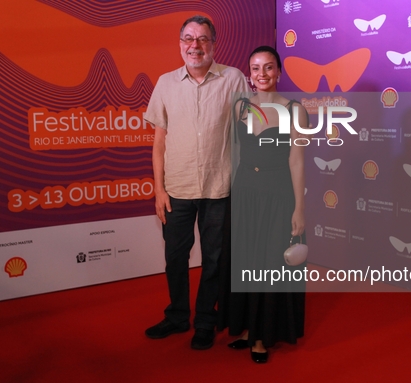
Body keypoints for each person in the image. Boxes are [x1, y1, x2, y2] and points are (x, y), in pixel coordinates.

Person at [143, 15, 248, 350]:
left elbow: (248, 133)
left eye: (203, 39)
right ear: (180, 44)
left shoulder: (233, 79)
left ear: (213, 44)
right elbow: (159, 142)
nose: (195, 45)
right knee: (175, 257)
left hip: (220, 186)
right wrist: (158, 190)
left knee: (215, 259)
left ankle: (205, 320)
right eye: (188, 38)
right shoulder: (166, 83)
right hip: (177, 188)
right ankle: (176, 316)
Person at [218, 46, 308, 363]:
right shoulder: (241, 107)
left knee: (270, 263)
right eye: (255, 68)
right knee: (246, 259)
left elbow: (297, 162)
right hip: (245, 192)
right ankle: (246, 328)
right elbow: (236, 154)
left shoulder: (295, 110)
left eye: (268, 67)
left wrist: (299, 209)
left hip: (278, 193)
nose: (262, 74)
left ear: (279, 72)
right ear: (250, 75)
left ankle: (262, 336)